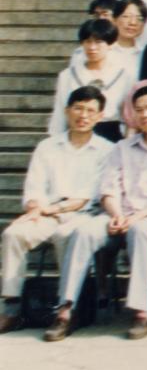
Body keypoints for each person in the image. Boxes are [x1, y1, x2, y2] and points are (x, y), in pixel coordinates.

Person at [58, 86, 147, 341]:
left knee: (140, 231)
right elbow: (108, 187)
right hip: (117, 213)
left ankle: (141, 313)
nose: (145, 115)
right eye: (139, 110)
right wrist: (116, 214)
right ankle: (66, 310)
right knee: (83, 231)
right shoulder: (121, 148)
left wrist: (136, 217)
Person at [0, 88, 115, 336]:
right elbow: (34, 186)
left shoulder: (107, 150)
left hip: (84, 215)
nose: (83, 115)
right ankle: (11, 309)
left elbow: (88, 195)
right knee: (13, 234)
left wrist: (51, 209)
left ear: (100, 116)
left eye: (90, 110)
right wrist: (35, 208)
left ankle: (67, 310)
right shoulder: (48, 146)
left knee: (66, 235)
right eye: (78, 108)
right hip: (44, 213)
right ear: (66, 110)